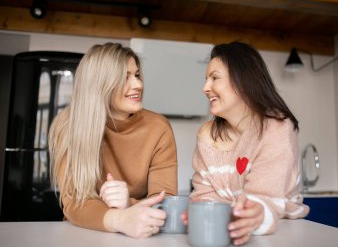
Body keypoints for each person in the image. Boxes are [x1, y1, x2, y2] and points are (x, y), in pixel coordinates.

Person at [48, 42, 178, 238]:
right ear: (100, 84)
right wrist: (121, 218)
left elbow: (166, 202)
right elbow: (74, 203)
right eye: (124, 78)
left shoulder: (158, 128)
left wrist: (128, 204)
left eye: (136, 75)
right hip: (85, 235)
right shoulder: (68, 126)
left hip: (141, 236)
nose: (138, 84)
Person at [188, 42, 309, 245]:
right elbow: (204, 196)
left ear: (242, 80)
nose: (205, 88)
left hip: (283, 233)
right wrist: (204, 215)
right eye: (206, 80)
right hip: (227, 230)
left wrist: (248, 217)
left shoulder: (276, 127)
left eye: (214, 78)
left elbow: (265, 200)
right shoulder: (207, 136)